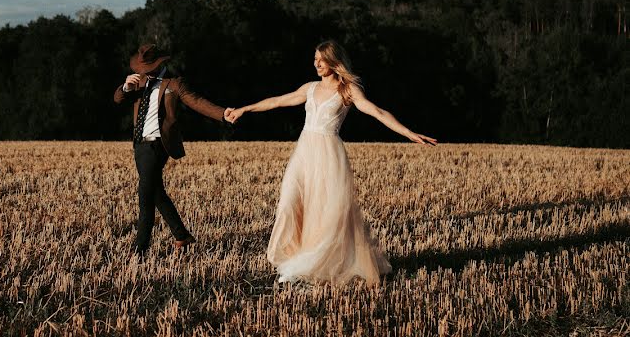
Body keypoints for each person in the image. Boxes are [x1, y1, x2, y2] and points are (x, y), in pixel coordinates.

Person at [227, 40, 436, 284]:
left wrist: (408, 133)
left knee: (326, 215)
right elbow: (277, 101)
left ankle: (317, 263)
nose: (316, 64)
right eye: (314, 59)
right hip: (304, 153)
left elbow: (377, 112)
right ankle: (291, 257)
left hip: (329, 156)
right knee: (288, 204)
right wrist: (244, 109)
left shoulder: (347, 90)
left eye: (321, 59)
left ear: (333, 61)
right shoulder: (310, 88)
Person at [114, 44, 233, 256]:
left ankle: (139, 251)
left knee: (145, 197)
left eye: (148, 69)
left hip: (159, 144)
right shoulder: (138, 81)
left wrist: (223, 113)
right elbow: (118, 100)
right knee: (156, 192)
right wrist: (125, 87)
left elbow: (197, 102)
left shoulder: (174, 83)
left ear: (158, 65)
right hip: (140, 144)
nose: (144, 73)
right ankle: (182, 235)